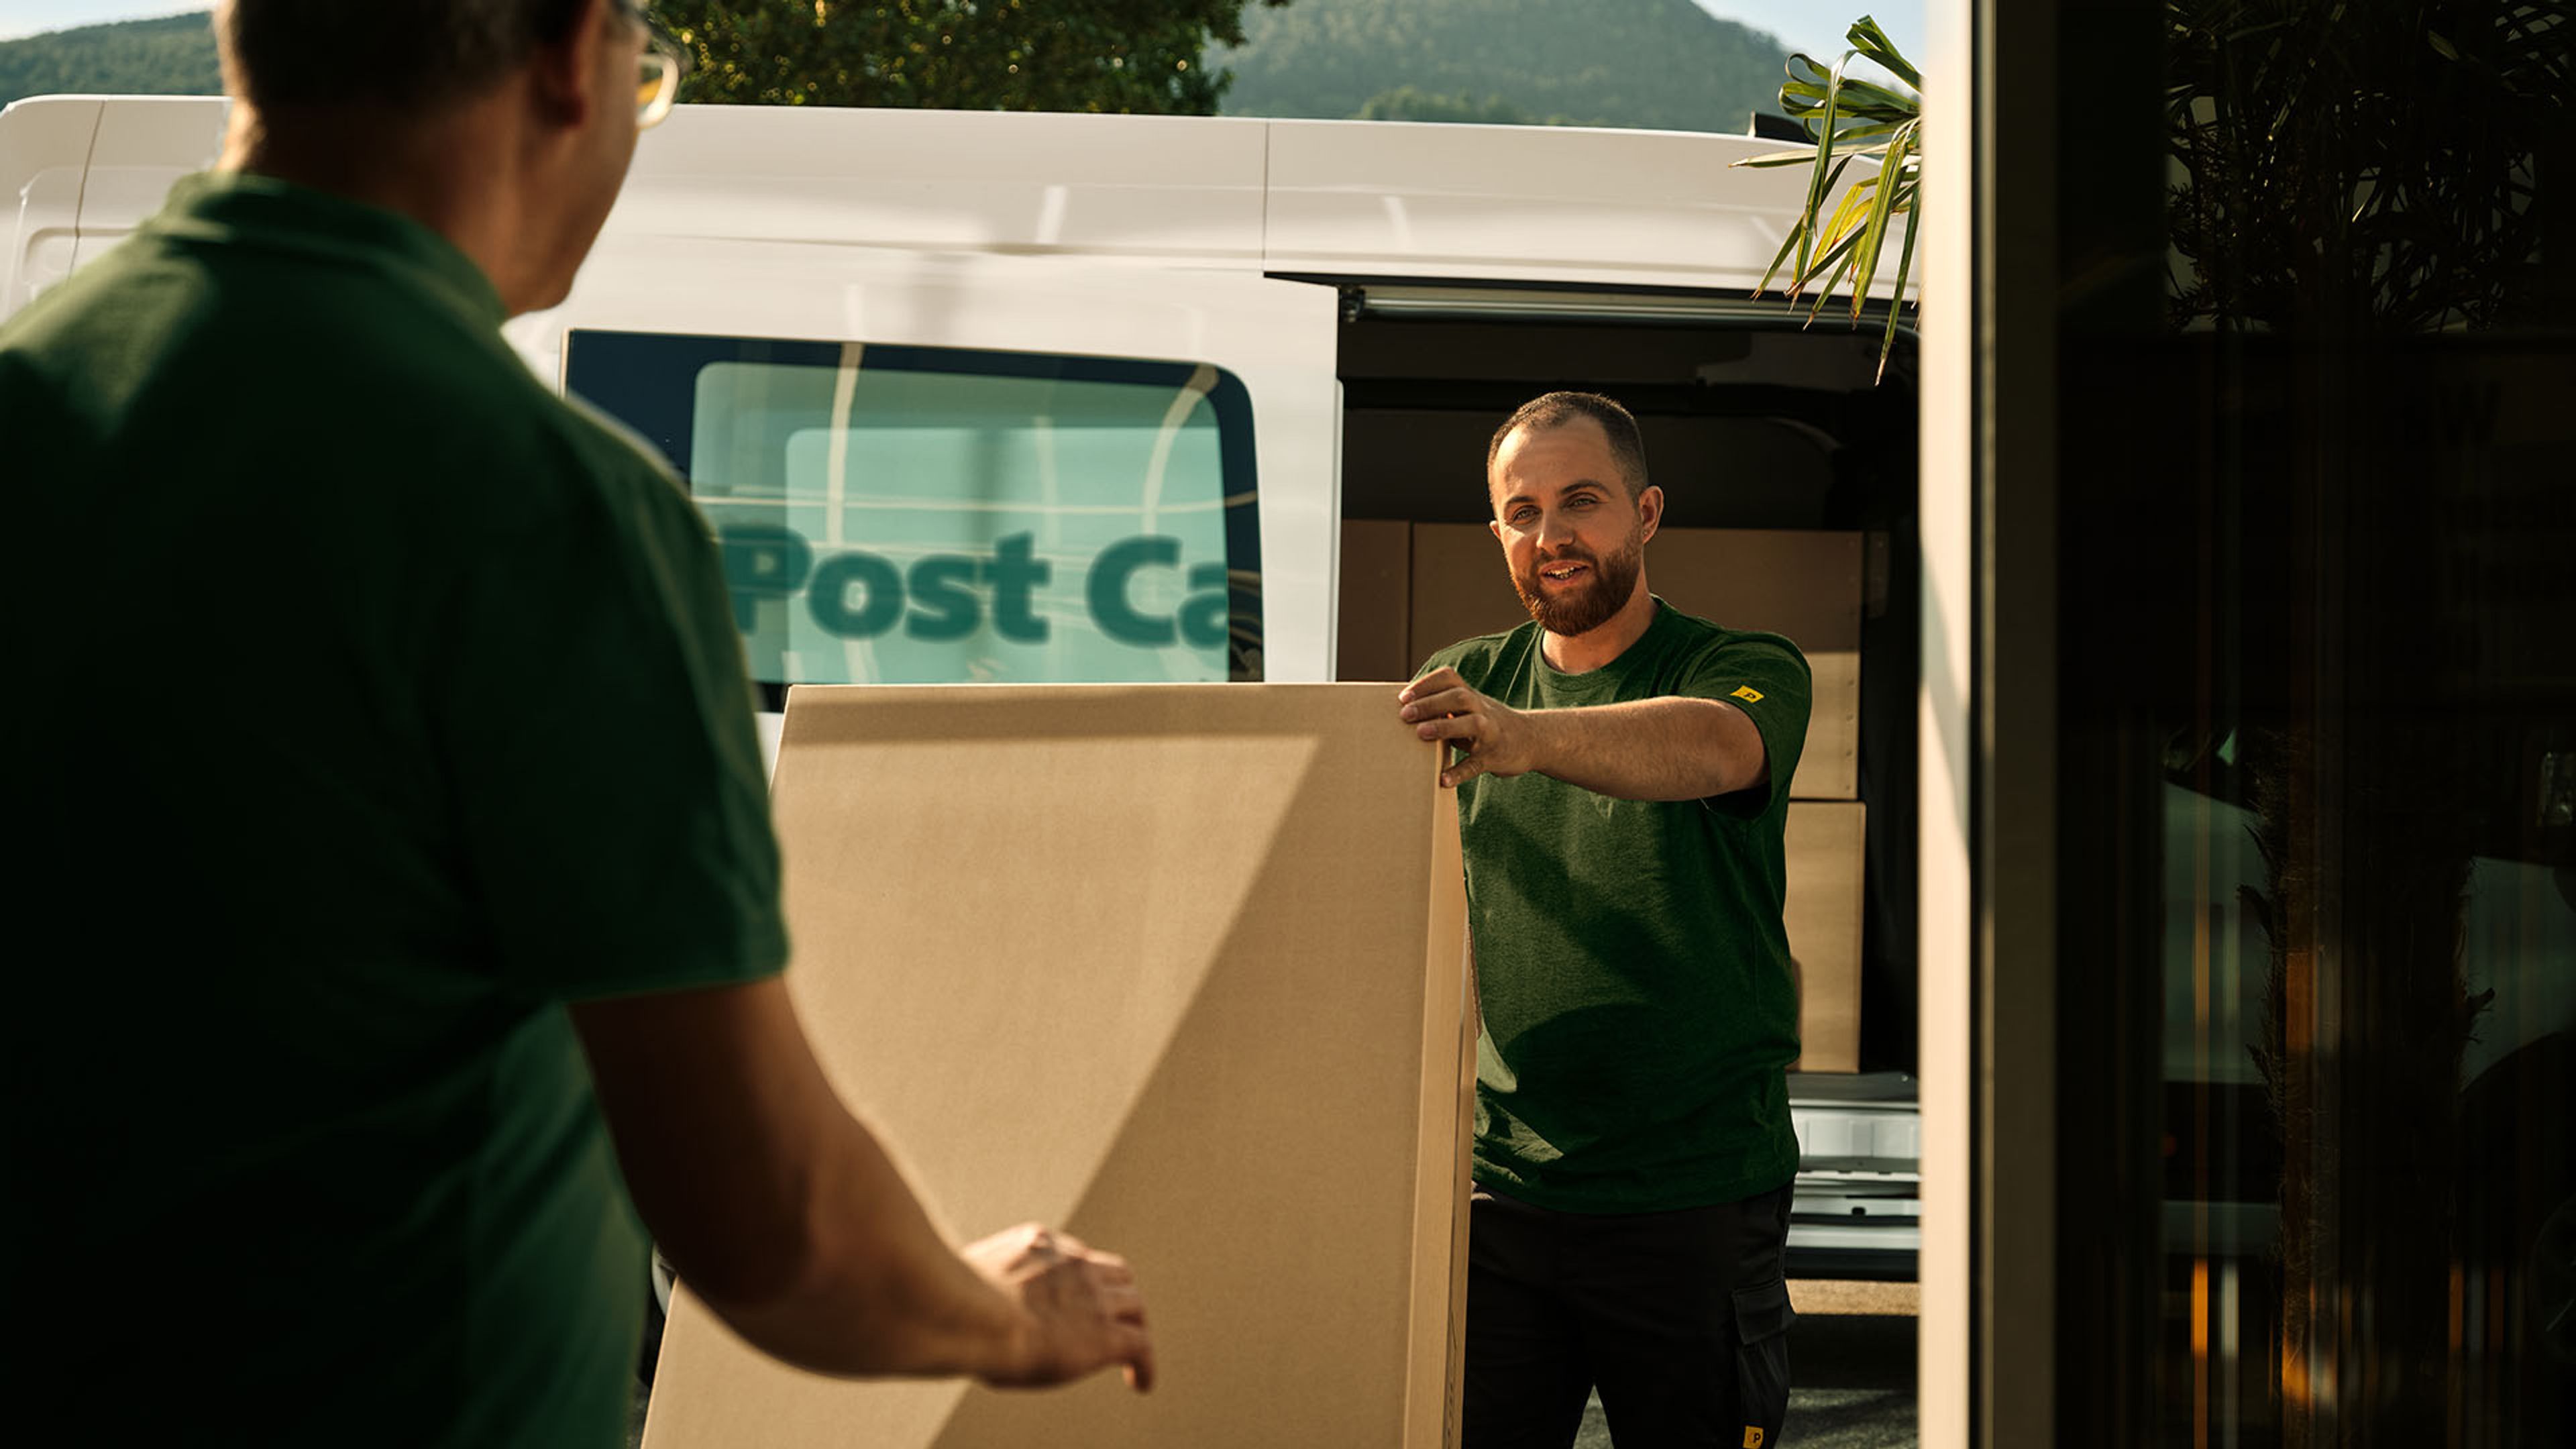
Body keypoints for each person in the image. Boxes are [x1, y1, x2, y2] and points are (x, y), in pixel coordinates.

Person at [0, 3, 1149, 1444]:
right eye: (646, 68)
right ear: (570, 53)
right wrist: (1010, 1313)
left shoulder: (32, 403)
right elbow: (773, 1228)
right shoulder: (539, 505)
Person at [1395, 391, 1809, 1448]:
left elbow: (1719, 749)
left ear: (1648, 513)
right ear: (1497, 534)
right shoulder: (1469, 678)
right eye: (1521, 513)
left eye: (1582, 502)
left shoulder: (1743, 668)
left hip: (1696, 1197)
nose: (1552, 536)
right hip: (1505, 1198)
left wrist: (1523, 738)